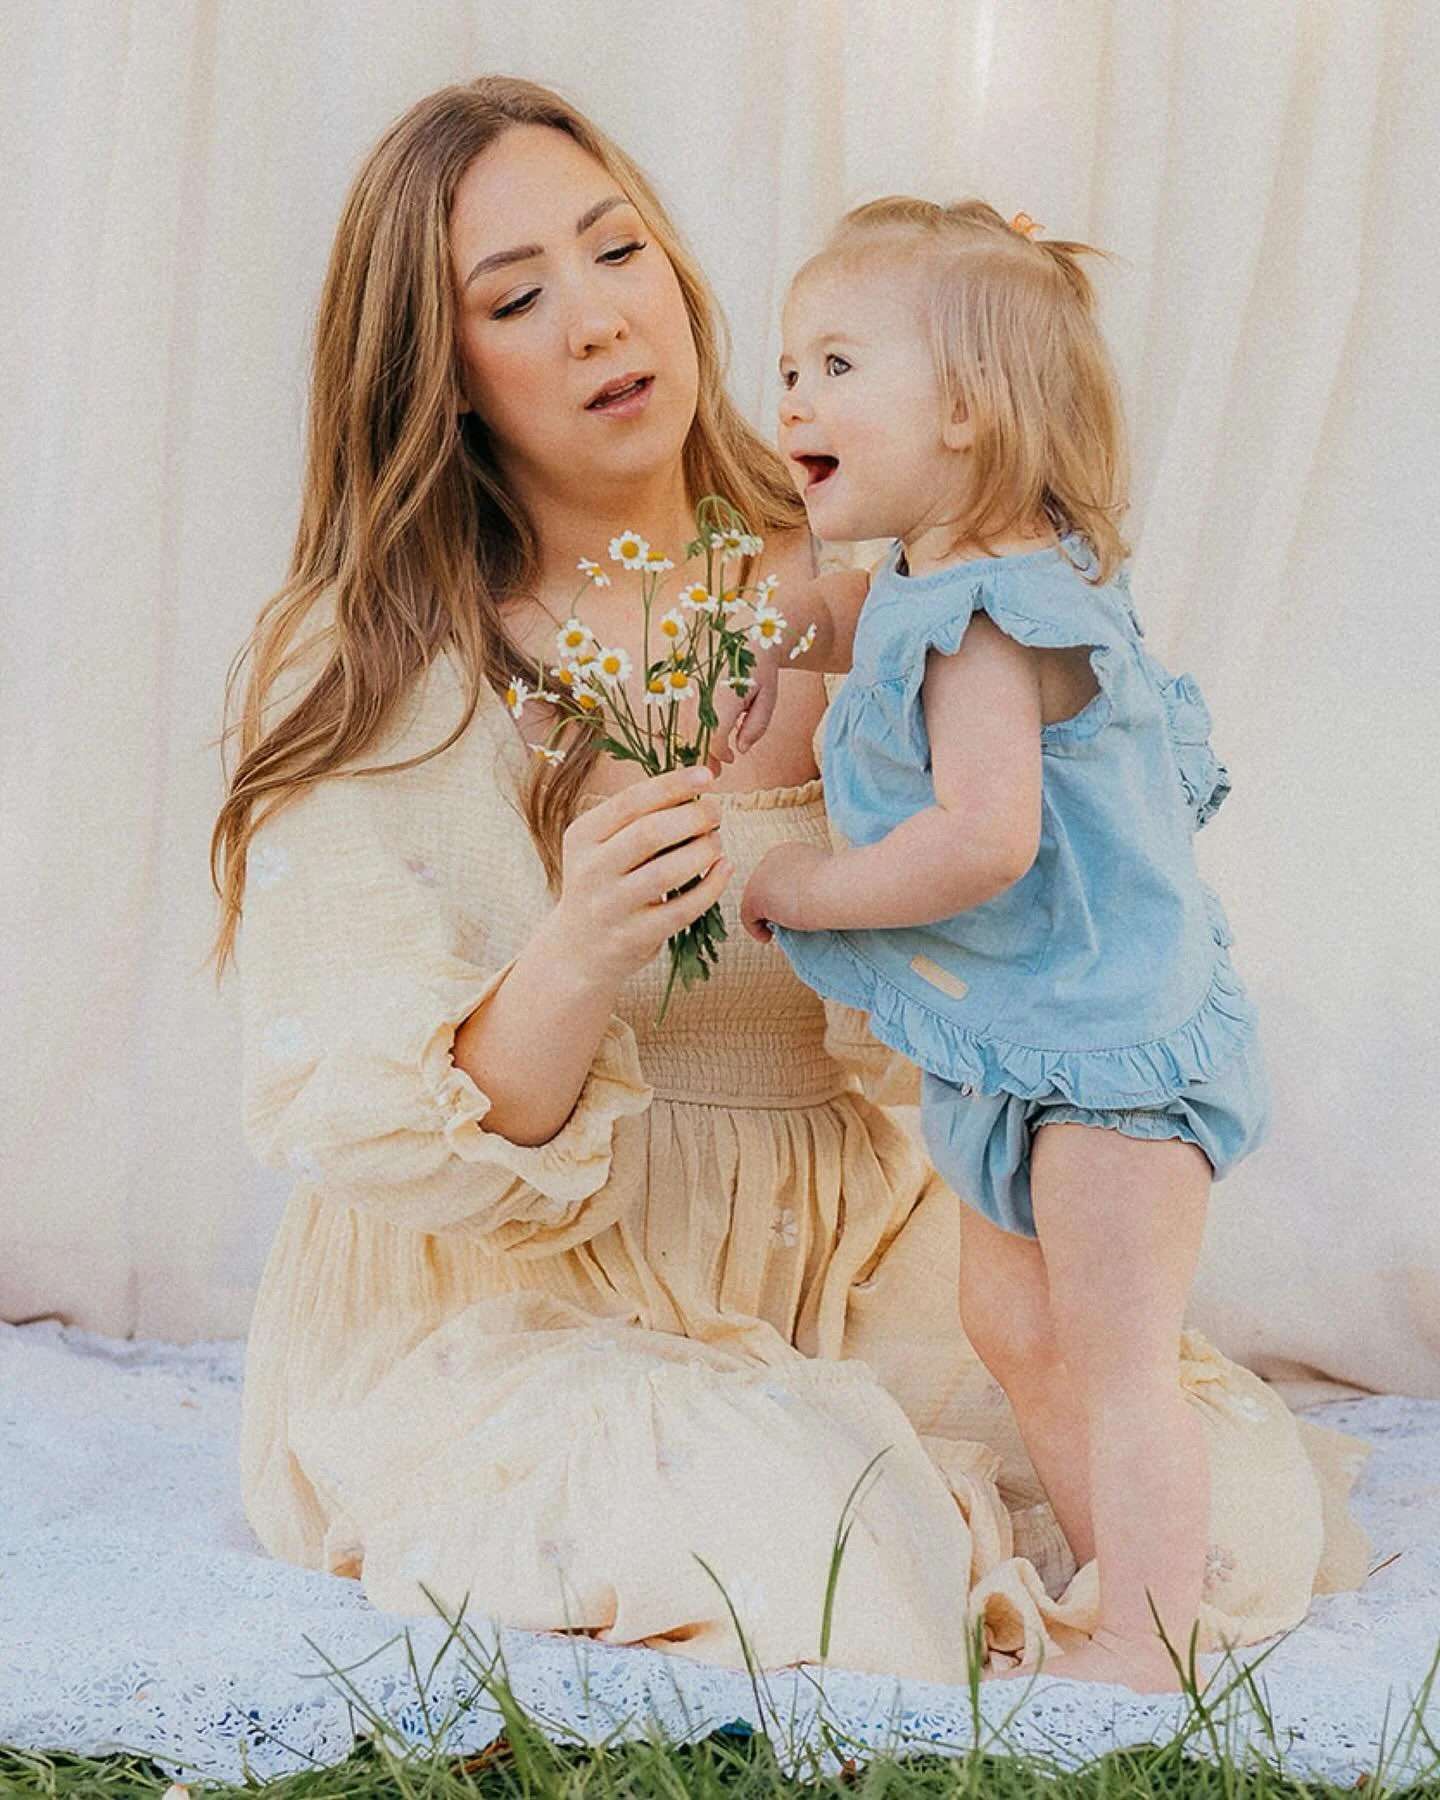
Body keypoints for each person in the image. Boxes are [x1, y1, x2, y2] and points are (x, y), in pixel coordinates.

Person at [210, 81, 1367, 1693]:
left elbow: (1014, 902)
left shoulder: (875, 567)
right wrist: (581, 948)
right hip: (526, 1278)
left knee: (1202, 1507)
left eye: (620, 250)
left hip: (836, 1236)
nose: (602, 316)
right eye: (520, 295)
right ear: (440, 375)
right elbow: (416, 1134)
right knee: (801, 1527)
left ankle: (1088, 1627)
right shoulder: (381, 658)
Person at [738, 196, 1308, 1689]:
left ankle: (1151, 1636)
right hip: (1035, 1029)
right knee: (1013, 1320)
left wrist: (804, 884)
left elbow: (983, 837)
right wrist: (788, 629)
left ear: (970, 417)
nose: (792, 395)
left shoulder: (997, 622)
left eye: (840, 364)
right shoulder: (943, 568)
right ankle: (1122, 1558)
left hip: (1110, 1047)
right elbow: (868, 615)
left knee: (1116, 1351)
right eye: (790, 362)